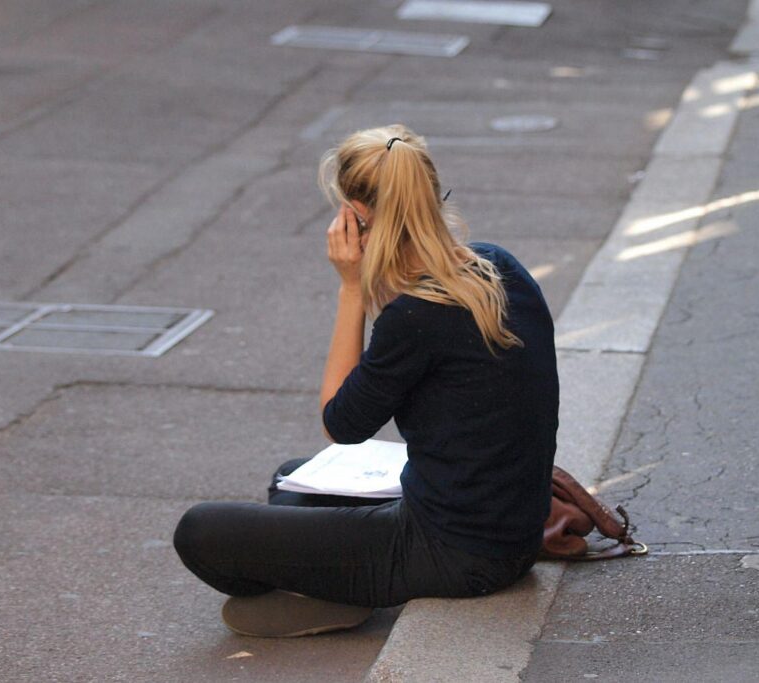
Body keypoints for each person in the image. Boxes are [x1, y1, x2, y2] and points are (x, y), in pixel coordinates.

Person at [173, 124, 559, 637]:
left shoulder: (417, 315)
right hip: (513, 536)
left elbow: (340, 424)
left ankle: (335, 591)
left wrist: (351, 289)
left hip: (456, 553)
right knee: (291, 483)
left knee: (200, 531)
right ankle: (332, 587)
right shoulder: (498, 264)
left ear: (357, 218)